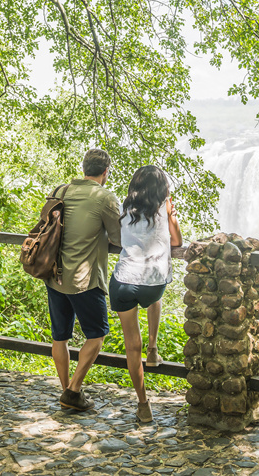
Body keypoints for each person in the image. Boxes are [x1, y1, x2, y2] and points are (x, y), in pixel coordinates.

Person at [48, 148, 122, 411]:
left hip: (54, 276)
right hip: (84, 280)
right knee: (97, 335)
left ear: (83, 168)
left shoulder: (61, 191)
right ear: (105, 172)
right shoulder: (104, 198)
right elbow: (118, 238)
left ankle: (66, 393)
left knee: (60, 338)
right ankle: (73, 390)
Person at [109, 165, 182, 423]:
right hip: (154, 285)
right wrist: (171, 214)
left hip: (123, 283)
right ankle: (153, 348)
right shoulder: (164, 209)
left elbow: (119, 239)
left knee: (131, 346)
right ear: (162, 190)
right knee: (154, 292)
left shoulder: (124, 209)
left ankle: (143, 404)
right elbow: (177, 243)